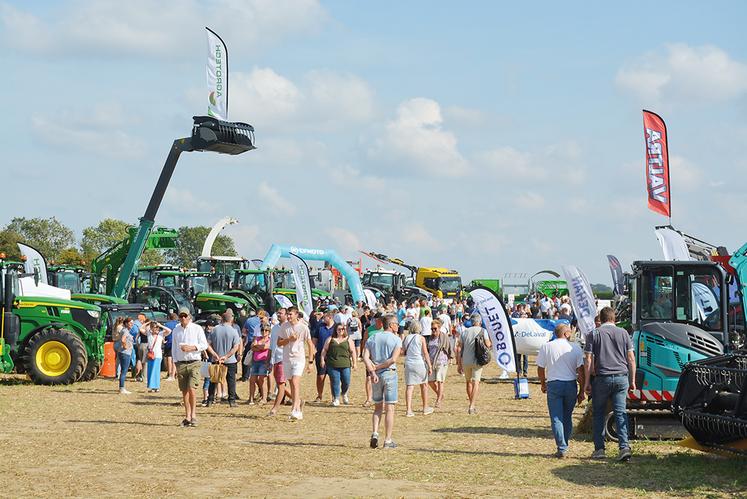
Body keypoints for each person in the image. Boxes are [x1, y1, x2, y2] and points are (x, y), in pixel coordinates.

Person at [583, 306, 636, 461]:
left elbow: (588, 360)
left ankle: (599, 449)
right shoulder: (624, 333)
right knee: (620, 412)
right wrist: (632, 380)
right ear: (614, 318)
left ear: (601, 318)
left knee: (599, 413)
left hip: (602, 378)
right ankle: (624, 447)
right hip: (621, 378)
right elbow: (631, 359)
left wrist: (587, 382)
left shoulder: (594, 334)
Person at [536, 324, 585, 458]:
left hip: (553, 383)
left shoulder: (546, 346)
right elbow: (580, 371)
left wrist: (542, 383)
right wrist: (582, 390)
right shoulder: (574, 347)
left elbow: (540, 368)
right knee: (567, 416)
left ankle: (561, 446)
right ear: (566, 334)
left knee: (556, 417)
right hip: (570, 384)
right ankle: (565, 443)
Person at [363, 314, 402, 449]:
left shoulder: (373, 337)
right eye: (396, 323)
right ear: (391, 325)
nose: (398, 325)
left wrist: (373, 371)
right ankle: (388, 440)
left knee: (377, 407)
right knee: (389, 408)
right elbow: (393, 360)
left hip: (375, 376)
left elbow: (365, 356)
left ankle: (374, 432)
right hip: (389, 373)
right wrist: (379, 367)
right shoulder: (396, 340)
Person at [171, 307, 209, 427]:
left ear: (189, 317)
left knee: (192, 389)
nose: (183, 318)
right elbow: (174, 348)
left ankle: (193, 415)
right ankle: (187, 416)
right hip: (181, 363)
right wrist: (175, 362)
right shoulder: (176, 330)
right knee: (184, 391)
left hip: (194, 362)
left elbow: (204, 344)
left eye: (185, 316)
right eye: (181, 316)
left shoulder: (197, 329)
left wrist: (192, 348)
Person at [276, 307, 314, 421]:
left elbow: (310, 344)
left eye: (290, 314)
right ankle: (298, 405)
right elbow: (279, 343)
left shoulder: (303, 327)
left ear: (297, 314)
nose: (288, 316)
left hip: (299, 359)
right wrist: (289, 339)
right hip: (287, 359)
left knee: (296, 382)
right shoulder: (284, 327)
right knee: (291, 383)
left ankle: (294, 409)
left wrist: (310, 362)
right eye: (287, 314)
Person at [456, 312, 492, 414]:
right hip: (477, 359)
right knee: (476, 382)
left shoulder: (465, 332)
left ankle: (471, 403)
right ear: (479, 322)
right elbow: (488, 344)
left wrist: (459, 363)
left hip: (466, 360)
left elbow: (459, 348)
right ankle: (472, 405)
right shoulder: (483, 331)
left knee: (468, 382)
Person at [205, 312, 241, 407]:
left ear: (222, 319)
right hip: (230, 360)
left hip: (216, 359)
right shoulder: (234, 331)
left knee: (213, 380)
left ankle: (210, 399)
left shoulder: (214, 330)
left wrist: (215, 354)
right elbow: (235, 347)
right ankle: (232, 400)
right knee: (231, 381)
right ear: (231, 319)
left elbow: (207, 344)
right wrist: (226, 356)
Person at [321, 322, 357, 406]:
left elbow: (353, 351)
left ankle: (344, 394)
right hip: (333, 364)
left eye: (343, 329)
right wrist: (322, 360)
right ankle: (336, 398)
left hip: (345, 364)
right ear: (336, 330)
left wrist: (355, 363)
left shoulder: (348, 339)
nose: (341, 331)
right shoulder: (330, 339)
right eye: (339, 329)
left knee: (346, 381)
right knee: (335, 381)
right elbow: (324, 350)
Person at [403, 321, 433, 416]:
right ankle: (425, 407)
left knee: (409, 386)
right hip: (419, 363)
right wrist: (430, 365)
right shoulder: (421, 338)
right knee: (424, 385)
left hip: (409, 363)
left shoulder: (406, 338)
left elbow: (403, 351)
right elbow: (425, 353)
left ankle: (408, 409)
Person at [268, 308, 292, 416]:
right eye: (278, 313)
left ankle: (275, 408)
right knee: (279, 383)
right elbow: (272, 344)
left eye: (281, 313)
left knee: (281, 384)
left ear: (286, 315)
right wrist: (269, 359)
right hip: (275, 358)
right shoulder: (274, 328)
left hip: (284, 358)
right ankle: (298, 400)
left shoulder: (289, 327)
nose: (278, 315)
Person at [427, 318, 452, 408]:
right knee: (430, 381)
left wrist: (450, 358)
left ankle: (438, 400)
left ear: (439, 328)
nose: (433, 330)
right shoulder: (430, 338)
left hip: (442, 361)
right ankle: (440, 394)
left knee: (440, 381)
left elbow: (449, 347)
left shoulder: (443, 336)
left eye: (435, 328)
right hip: (432, 362)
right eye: (432, 329)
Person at [361, 312, 384, 407]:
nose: (381, 322)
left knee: (382, 378)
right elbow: (364, 342)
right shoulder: (369, 330)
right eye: (379, 319)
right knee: (369, 378)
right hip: (370, 357)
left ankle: (382, 398)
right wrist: (363, 354)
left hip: (383, 358)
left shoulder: (386, 330)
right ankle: (369, 398)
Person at [312, 312, 335, 402]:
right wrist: (313, 351)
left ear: (329, 317)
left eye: (324, 318)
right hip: (320, 355)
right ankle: (319, 395)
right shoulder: (320, 327)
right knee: (320, 376)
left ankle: (334, 396)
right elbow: (315, 339)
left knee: (333, 377)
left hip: (333, 355)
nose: (322, 319)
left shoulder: (337, 327)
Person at [144, 319, 171, 393]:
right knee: (150, 370)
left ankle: (156, 386)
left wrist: (160, 325)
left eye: (156, 328)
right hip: (150, 355)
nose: (155, 329)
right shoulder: (148, 333)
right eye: (153, 327)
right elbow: (141, 329)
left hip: (158, 355)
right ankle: (152, 386)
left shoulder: (161, 334)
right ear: (151, 328)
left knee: (155, 371)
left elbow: (169, 331)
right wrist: (148, 323)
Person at [248, 323, 272, 405]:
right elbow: (252, 347)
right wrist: (260, 346)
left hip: (264, 361)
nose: (264, 332)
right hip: (255, 361)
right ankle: (251, 398)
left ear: (269, 332)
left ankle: (264, 398)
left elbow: (265, 347)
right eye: (262, 330)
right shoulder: (258, 338)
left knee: (262, 380)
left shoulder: (270, 340)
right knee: (252, 380)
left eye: (266, 330)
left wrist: (257, 346)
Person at [113, 317, 134, 394]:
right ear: (126, 323)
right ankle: (122, 388)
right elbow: (123, 340)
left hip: (122, 352)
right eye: (130, 323)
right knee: (124, 371)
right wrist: (125, 346)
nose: (132, 325)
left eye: (132, 323)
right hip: (125, 352)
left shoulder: (124, 330)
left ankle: (122, 387)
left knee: (123, 370)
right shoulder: (125, 331)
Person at [163, 312, 178, 380]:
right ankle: (174, 373)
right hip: (176, 342)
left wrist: (163, 341)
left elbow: (163, 333)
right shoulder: (178, 324)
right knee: (175, 359)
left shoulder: (166, 324)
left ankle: (169, 373)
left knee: (169, 358)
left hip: (168, 342)